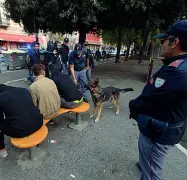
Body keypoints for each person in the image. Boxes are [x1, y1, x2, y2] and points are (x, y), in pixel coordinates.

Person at [129, 20, 187, 180]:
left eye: (163, 40)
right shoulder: (177, 65)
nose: (161, 44)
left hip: (158, 134)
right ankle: (144, 163)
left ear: (175, 42)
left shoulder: (177, 72)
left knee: (152, 175)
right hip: (169, 126)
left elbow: (150, 99)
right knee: (149, 164)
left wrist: (133, 105)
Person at [0, 84, 43, 157]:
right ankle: (36, 142)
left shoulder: (1, 97)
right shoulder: (24, 90)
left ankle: (2, 150)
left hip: (21, 130)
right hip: (39, 122)